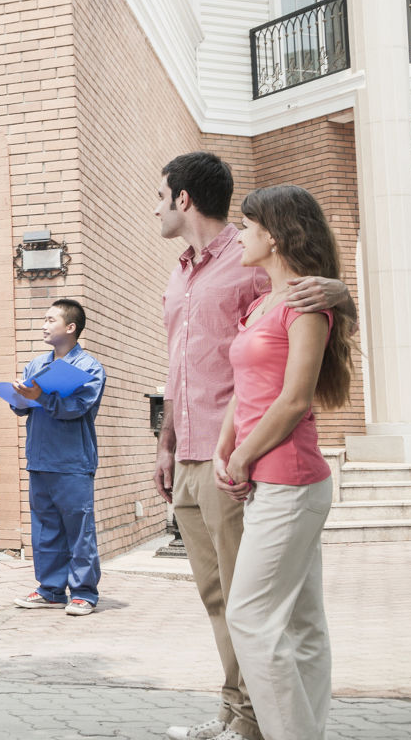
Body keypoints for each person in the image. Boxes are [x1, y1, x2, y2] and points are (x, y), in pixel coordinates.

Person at [153, 152, 354, 740]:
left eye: (159, 194)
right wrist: (166, 444)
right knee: (224, 600)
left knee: (256, 611)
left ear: (183, 198)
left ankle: (254, 724)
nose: (155, 206)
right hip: (197, 450)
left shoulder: (251, 266)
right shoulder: (182, 274)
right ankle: (239, 715)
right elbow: (179, 367)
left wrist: (342, 294)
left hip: (258, 463)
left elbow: (305, 343)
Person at [214, 185, 353, 740]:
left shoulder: (307, 304)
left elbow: (295, 399)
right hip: (267, 479)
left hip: (290, 479)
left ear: (271, 234)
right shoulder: (260, 304)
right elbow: (244, 388)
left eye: (246, 227)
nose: (240, 236)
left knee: (249, 617)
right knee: (299, 623)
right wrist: (227, 446)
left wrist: (244, 456)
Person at [8, 299, 106, 617]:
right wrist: (20, 397)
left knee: (79, 530)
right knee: (46, 528)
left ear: (70, 327)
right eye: (43, 319)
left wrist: (42, 397)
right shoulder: (36, 365)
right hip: (40, 459)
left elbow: (77, 408)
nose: (43, 325)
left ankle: (83, 592)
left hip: (73, 461)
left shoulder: (90, 368)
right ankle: (51, 590)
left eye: (50, 319)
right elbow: (21, 407)